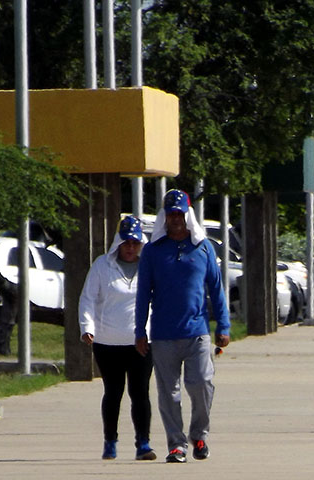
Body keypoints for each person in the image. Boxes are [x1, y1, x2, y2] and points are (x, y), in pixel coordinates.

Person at [135, 189, 231, 463]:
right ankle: (176, 445)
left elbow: (216, 288)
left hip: (197, 332)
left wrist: (223, 325)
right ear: (165, 217)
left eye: (180, 214)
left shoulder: (202, 248)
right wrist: (139, 331)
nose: (176, 219)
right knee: (168, 393)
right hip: (163, 334)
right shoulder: (153, 252)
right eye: (171, 214)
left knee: (201, 383)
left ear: (187, 215)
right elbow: (143, 294)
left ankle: (198, 434)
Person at [80, 215, 156, 460]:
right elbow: (88, 298)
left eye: (135, 243)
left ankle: (143, 443)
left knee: (140, 393)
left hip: (141, 341)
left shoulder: (149, 266)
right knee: (113, 392)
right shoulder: (103, 265)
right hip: (108, 342)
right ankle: (110, 441)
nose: (130, 248)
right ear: (118, 244)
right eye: (126, 243)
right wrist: (86, 327)